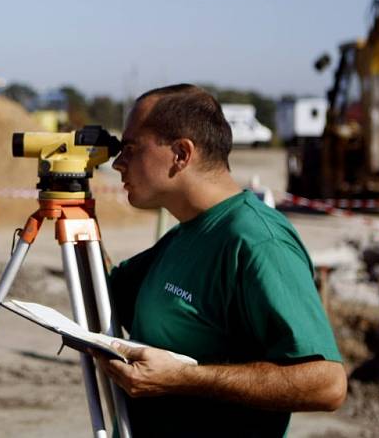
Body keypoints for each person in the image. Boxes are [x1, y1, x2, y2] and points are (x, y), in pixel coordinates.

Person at [96, 84, 347, 437]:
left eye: (131, 149)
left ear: (181, 154)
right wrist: (79, 218)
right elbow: (107, 294)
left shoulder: (256, 240)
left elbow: (328, 385)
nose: (119, 163)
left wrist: (182, 379)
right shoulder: (188, 232)